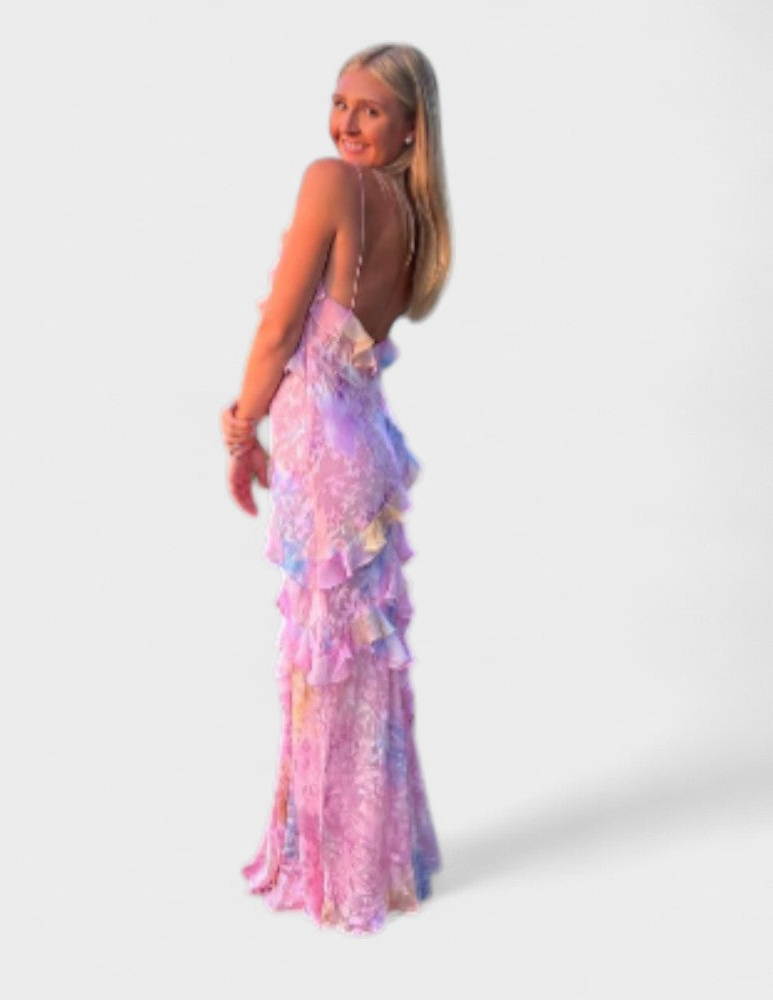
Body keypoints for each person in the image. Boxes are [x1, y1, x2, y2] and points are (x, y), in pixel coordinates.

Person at [220, 42, 452, 935]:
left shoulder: (331, 183)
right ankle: (368, 859)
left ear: (410, 127)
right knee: (358, 654)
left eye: (371, 109)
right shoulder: (415, 214)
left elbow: (281, 330)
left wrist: (241, 426)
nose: (348, 123)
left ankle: (330, 869)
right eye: (340, 103)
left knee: (326, 655)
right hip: (367, 443)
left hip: (322, 442)